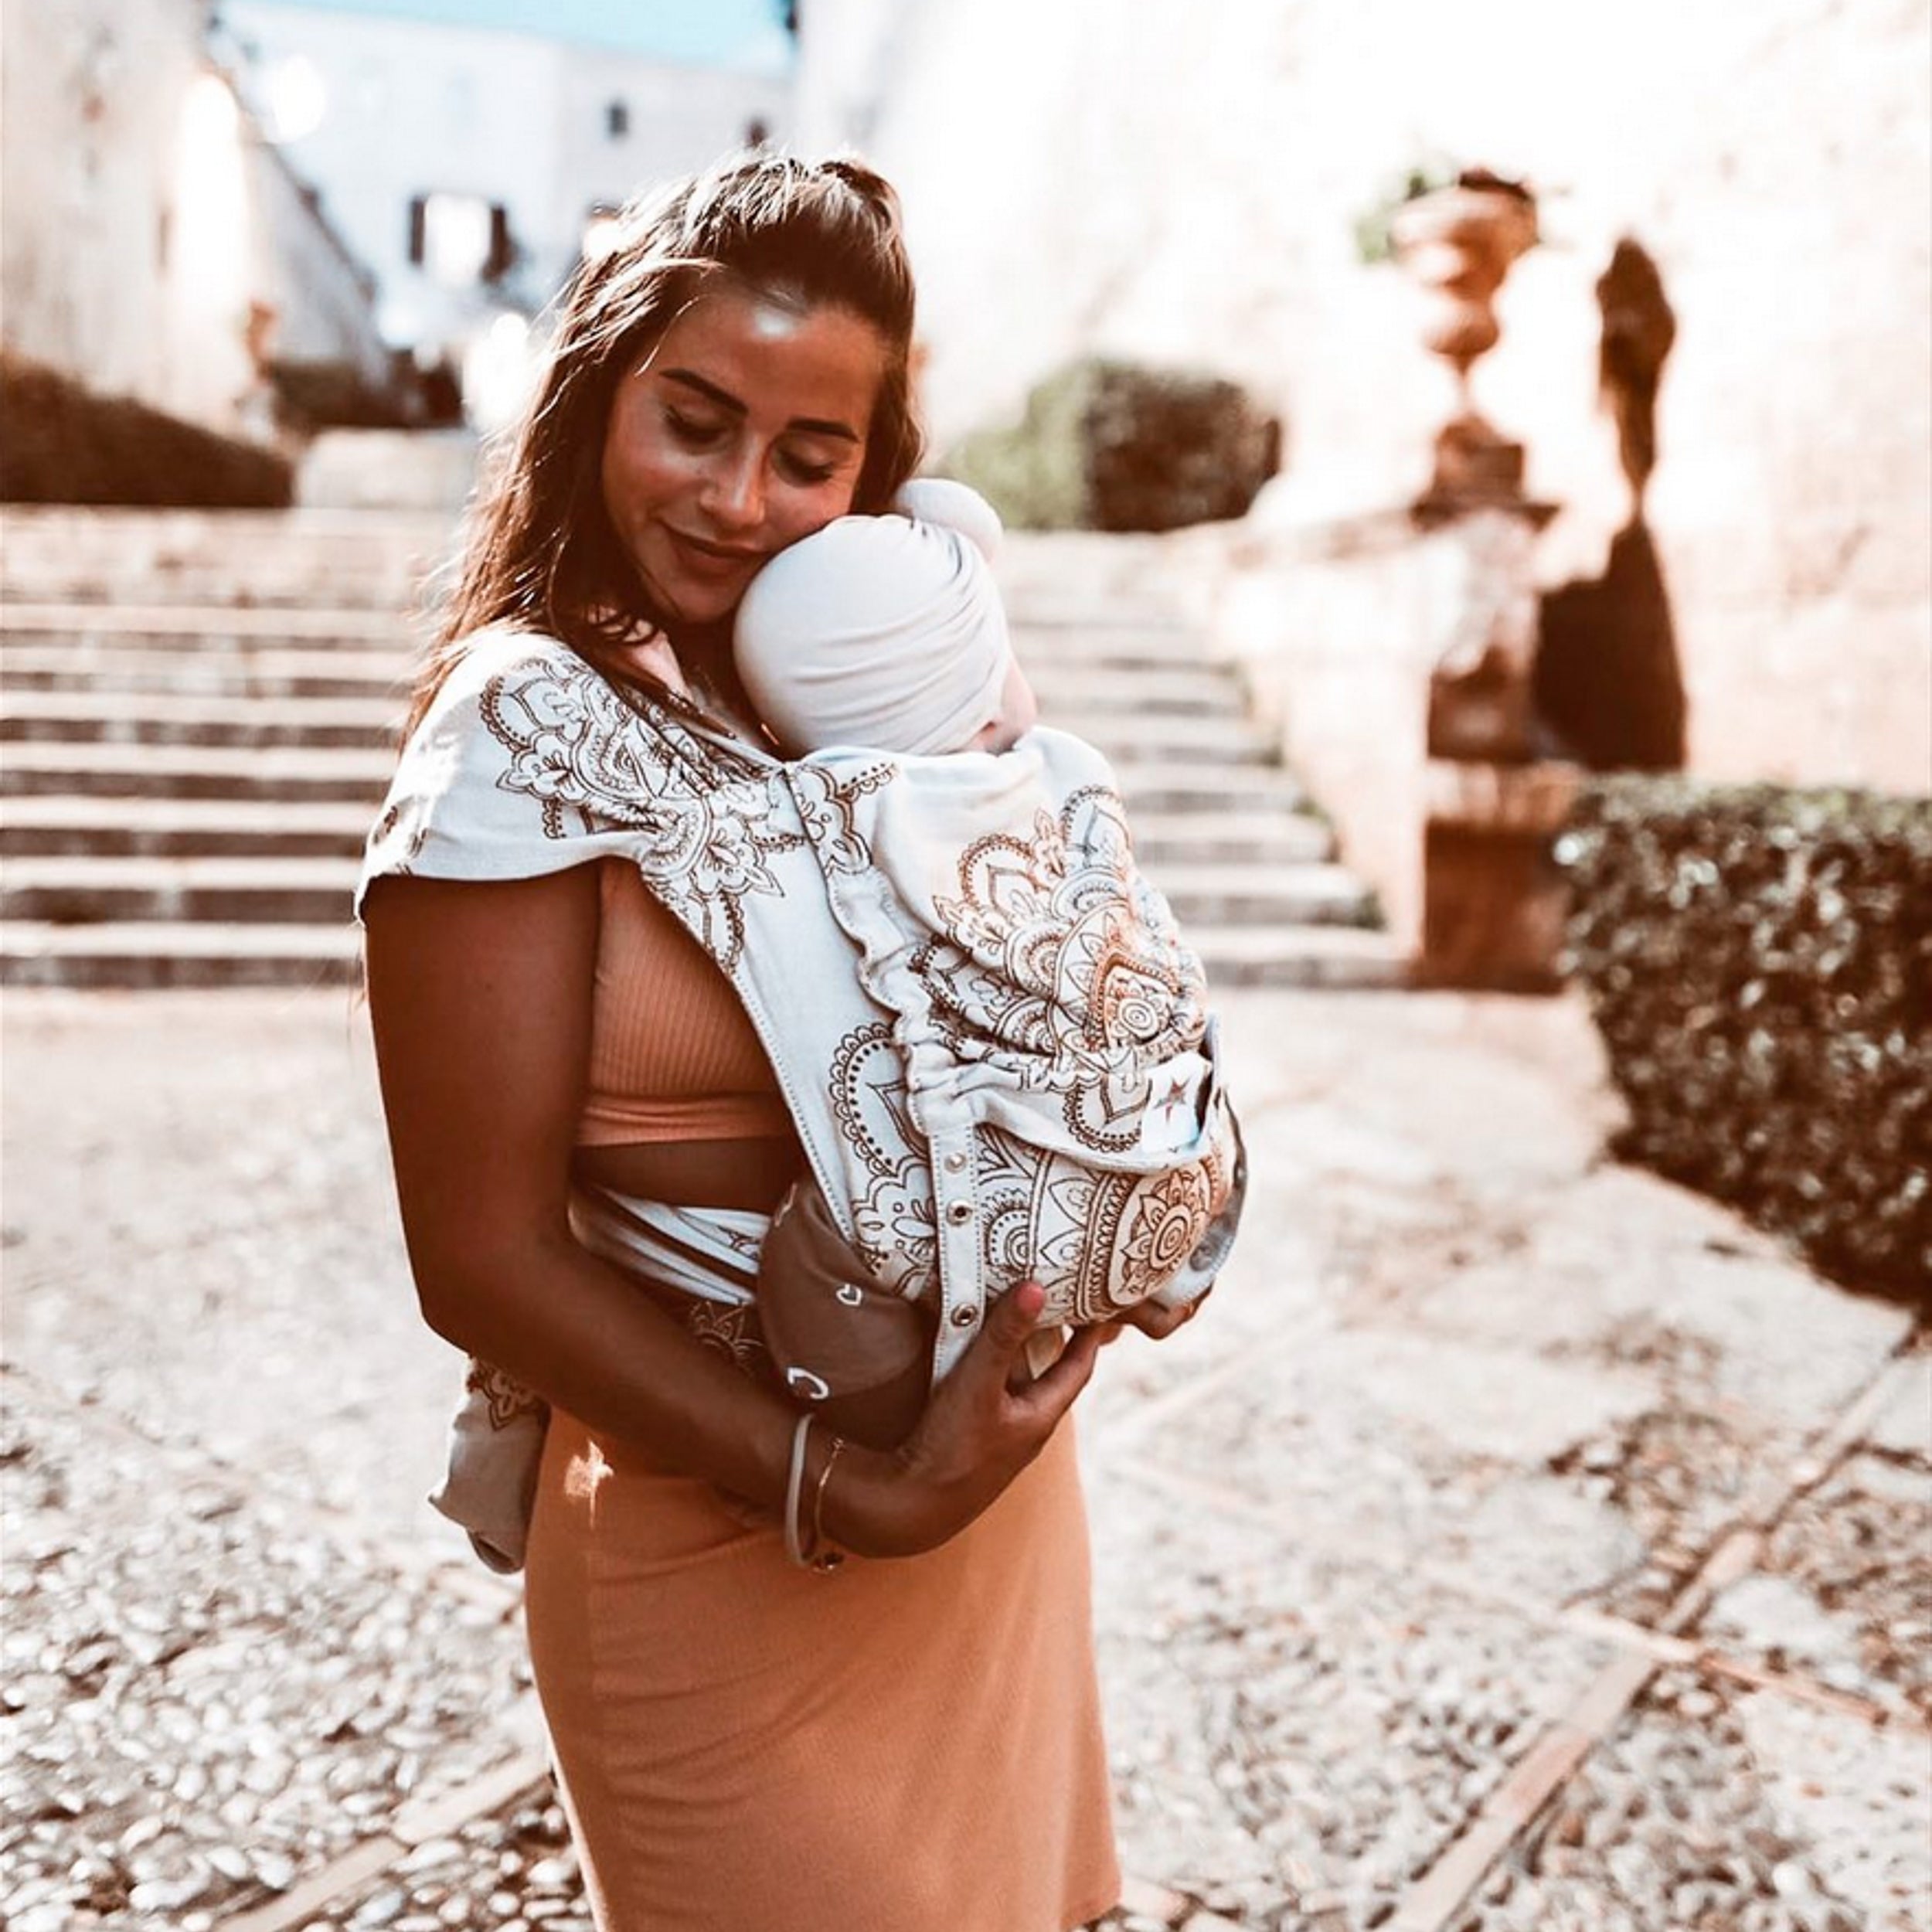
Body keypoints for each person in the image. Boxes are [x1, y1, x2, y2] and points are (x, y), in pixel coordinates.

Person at [357, 151, 1189, 1931]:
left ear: (871, 477)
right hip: (717, 1534)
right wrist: (854, 1492)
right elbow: (477, 1254)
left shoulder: (850, 696)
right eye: (695, 421)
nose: (740, 499)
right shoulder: (518, 730)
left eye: (808, 456)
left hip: (986, 1519)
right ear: (599, 392)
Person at [730, 480, 1243, 1447]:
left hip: (971, 1221)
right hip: (1164, 1166)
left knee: (815, 1243)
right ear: (988, 693)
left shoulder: (819, 807)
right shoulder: (1069, 776)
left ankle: (886, 1422)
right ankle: (1171, 1271)